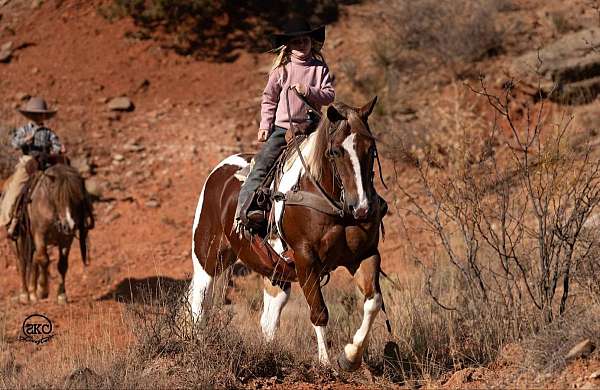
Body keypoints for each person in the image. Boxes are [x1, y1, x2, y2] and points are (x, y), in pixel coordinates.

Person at [235, 19, 335, 228]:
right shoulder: (282, 70)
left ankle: (347, 201)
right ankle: (246, 208)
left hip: (313, 128)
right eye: (296, 42)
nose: (301, 45)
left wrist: (309, 91)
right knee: (263, 164)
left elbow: (329, 95)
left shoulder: (319, 68)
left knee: (337, 156)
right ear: (288, 46)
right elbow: (269, 99)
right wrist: (265, 126)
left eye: (305, 41)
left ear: (311, 42)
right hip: (283, 129)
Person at [0, 96, 65, 240]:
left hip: (47, 162)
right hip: (29, 161)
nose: (37, 116)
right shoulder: (23, 130)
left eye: (40, 113)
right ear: (30, 115)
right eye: (34, 114)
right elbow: (14, 144)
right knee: (17, 186)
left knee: (65, 182)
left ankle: (72, 218)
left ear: (44, 115)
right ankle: (12, 219)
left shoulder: (49, 132)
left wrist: (59, 149)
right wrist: (25, 140)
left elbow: (56, 145)